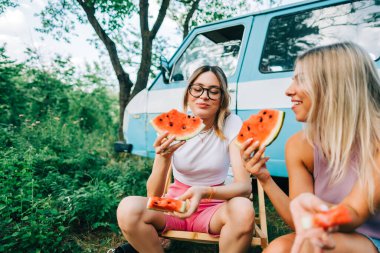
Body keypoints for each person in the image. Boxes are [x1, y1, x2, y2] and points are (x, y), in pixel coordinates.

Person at [240, 42, 380, 253]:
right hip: (324, 232)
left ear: (335, 84)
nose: (288, 91)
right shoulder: (299, 145)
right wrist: (264, 178)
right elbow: (300, 222)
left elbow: (354, 213)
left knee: (311, 247)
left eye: (301, 80)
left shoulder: (377, 141)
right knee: (276, 249)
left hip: (373, 238)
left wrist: (319, 211)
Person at [117, 65, 254, 253]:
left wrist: (204, 191)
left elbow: (245, 187)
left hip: (213, 210)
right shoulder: (174, 125)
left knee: (243, 208)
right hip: (174, 206)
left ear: (222, 98)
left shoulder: (231, 124)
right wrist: (163, 157)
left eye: (214, 91)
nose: (204, 96)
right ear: (188, 93)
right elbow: (153, 195)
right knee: (128, 208)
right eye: (197, 89)